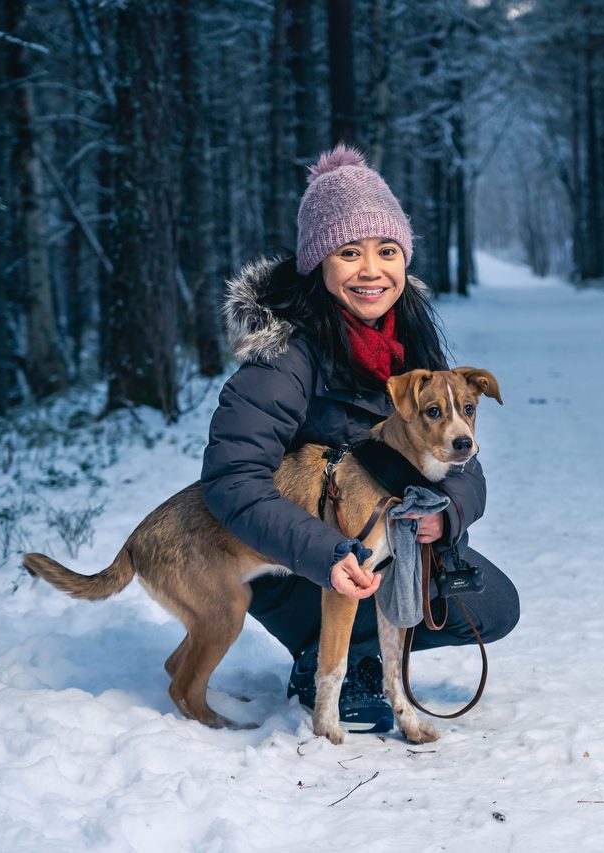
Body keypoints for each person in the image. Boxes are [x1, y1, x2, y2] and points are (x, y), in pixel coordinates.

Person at [200, 145, 520, 734]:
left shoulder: (413, 342)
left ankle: (363, 651)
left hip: (381, 538)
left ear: (404, 259)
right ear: (319, 264)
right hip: (290, 555)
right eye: (350, 253)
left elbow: (457, 456)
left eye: (387, 251)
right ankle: (323, 656)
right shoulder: (285, 356)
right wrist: (324, 553)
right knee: (350, 568)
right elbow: (232, 481)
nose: (371, 270)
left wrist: (448, 513)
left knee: (492, 605)